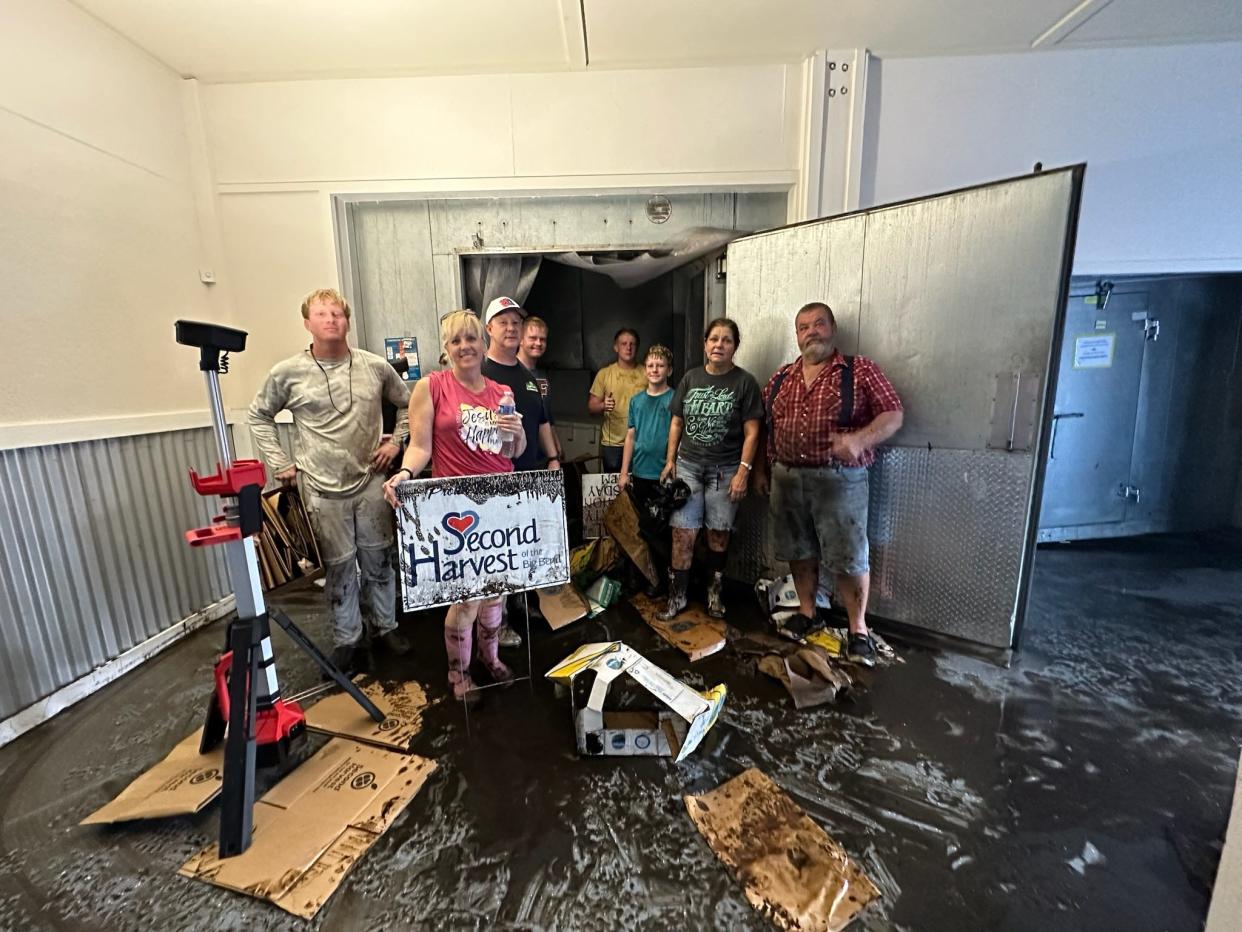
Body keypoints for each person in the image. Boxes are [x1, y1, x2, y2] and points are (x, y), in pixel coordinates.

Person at [249, 287, 412, 672]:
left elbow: (408, 404)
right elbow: (259, 416)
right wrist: (280, 461)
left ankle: (385, 627)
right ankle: (348, 640)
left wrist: (396, 443)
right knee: (339, 567)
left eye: (337, 313)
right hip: (321, 488)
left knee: (379, 559)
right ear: (308, 323)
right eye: (322, 314)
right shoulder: (287, 373)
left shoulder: (374, 366)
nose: (331, 320)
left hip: (370, 481)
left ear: (347, 321)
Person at [382, 310, 526, 704]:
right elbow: (420, 445)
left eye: (471, 339)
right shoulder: (431, 387)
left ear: (484, 344)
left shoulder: (501, 393)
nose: (465, 347)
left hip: (500, 500)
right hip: (455, 505)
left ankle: (490, 657)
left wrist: (518, 435)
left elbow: (514, 451)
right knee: (465, 597)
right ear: (446, 349)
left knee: (495, 591)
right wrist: (405, 473)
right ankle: (458, 673)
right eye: (456, 341)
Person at [753, 301, 904, 666]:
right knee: (799, 550)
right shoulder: (780, 378)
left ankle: (858, 631)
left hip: (840, 481)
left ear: (832, 329)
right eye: (803, 327)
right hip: (787, 479)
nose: (811, 332)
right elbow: (763, 428)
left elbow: (893, 414)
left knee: (849, 557)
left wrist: (860, 440)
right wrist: (760, 471)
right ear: (797, 335)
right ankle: (809, 613)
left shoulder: (860, 370)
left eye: (819, 324)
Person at [659, 318, 763, 620]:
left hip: (726, 470)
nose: (719, 345)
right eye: (714, 339)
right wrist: (670, 461)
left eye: (726, 340)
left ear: (735, 346)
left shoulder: (744, 382)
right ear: (705, 344)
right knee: (683, 535)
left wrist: (744, 471)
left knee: (718, 535)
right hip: (688, 468)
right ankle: (676, 597)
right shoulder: (691, 378)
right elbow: (677, 422)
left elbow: (753, 432)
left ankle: (714, 595)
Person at [481, 296, 561, 648]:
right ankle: (497, 625)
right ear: (489, 329)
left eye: (516, 322)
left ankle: (520, 604)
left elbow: (542, 421)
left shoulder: (527, 376)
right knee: (498, 554)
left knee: (523, 548)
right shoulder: (480, 373)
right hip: (493, 481)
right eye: (503, 322)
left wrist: (554, 458)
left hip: (527, 478)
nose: (511, 328)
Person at [619, 344, 675, 594]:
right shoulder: (636, 401)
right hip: (640, 473)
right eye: (650, 365)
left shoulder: (674, 399)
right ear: (645, 370)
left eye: (660, 365)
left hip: (663, 475)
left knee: (660, 531)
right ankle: (642, 576)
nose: (655, 369)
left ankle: (662, 580)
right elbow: (630, 436)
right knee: (641, 529)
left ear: (669, 370)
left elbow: (679, 433)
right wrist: (624, 471)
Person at [588, 328, 648, 473]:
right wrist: (603, 405)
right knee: (614, 489)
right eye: (624, 344)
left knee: (638, 486)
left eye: (632, 344)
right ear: (616, 347)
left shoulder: (647, 373)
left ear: (637, 347)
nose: (628, 347)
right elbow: (591, 406)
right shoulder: (605, 374)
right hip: (612, 444)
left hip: (640, 442)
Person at [517, 315, 563, 465]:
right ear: (521, 339)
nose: (538, 343)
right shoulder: (512, 372)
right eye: (533, 338)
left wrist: (555, 447)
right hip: (520, 455)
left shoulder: (542, 376)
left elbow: (547, 415)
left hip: (544, 456)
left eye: (542, 339)